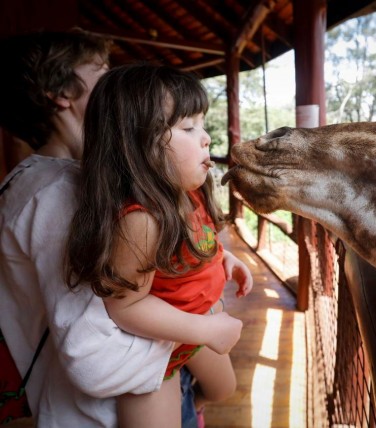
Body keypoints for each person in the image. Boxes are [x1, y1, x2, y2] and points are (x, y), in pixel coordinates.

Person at [0, 30, 175, 427]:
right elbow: (92, 353)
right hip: (102, 413)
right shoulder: (58, 194)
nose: (113, 78)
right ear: (61, 91)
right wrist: (196, 332)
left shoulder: (29, 182)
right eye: (101, 70)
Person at [65, 63, 254, 427]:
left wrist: (224, 257)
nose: (206, 138)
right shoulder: (142, 220)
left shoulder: (188, 193)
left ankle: (190, 402)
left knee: (222, 389)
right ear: (138, 143)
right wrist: (207, 330)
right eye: (188, 127)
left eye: (201, 124)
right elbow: (126, 308)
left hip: (197, 322)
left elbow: (197, 243)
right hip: (158, 348)